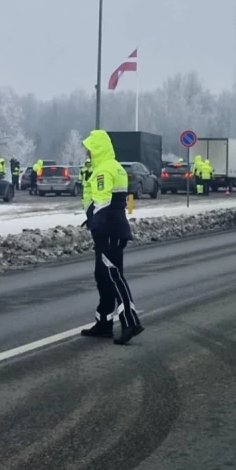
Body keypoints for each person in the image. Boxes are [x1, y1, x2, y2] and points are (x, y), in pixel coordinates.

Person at [79, 130, 144, 345]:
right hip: (113, 229)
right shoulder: (114, 166)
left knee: (113, 277)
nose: (87, 152)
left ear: (96, 148)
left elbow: (103, 201)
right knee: (103, 276)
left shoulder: (104, 170)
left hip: (108, 231)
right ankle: (104, 323)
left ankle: (130, 322)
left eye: (89, 148)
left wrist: (96, 224)